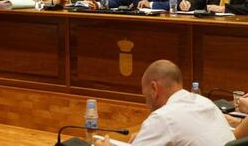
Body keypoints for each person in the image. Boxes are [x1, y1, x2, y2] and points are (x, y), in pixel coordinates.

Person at [95, 60, 235, 146]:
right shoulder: (205, 102)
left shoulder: (163, 117)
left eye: (145, 97)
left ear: (154, 88)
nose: (146, 104)